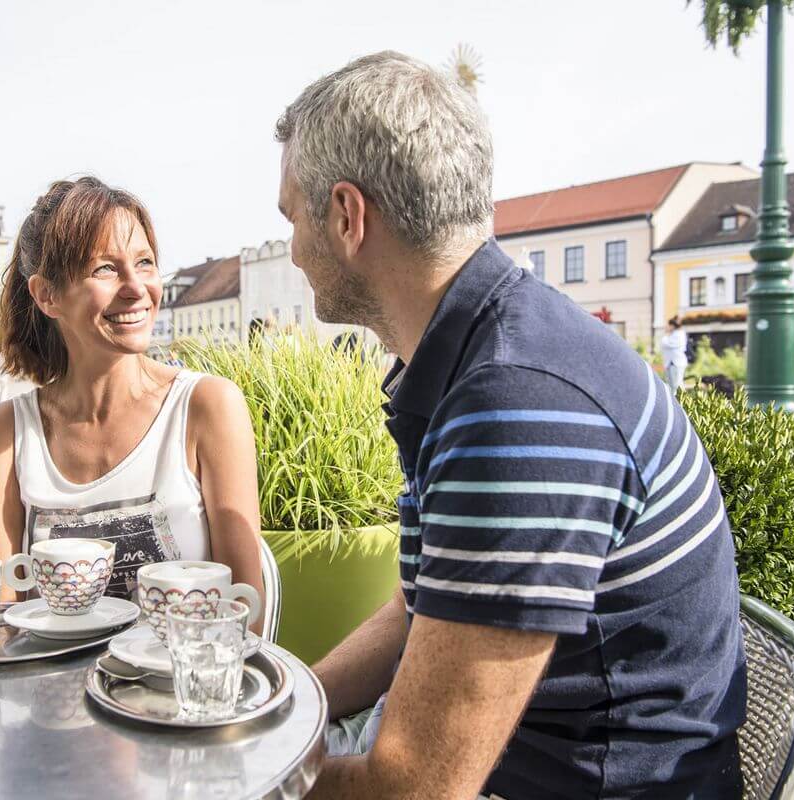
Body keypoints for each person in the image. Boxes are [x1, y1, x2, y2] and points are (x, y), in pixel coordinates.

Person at [276, 52, 745, 799]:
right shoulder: (490, 349)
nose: (294, 249)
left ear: (346, 215)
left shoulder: (515, 406)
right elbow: (423, 603)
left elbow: (414, 790)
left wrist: (225, 778)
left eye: (291, 218)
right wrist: (280, 711)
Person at [0, 177, 264, 619]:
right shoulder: (6, 433)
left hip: (181, 683)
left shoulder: (207, 407)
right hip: (45, 687)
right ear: (46, 295)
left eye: (145, 262)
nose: (136, 287)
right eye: (105, 269)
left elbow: (245, 606)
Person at [661, 315, 690, 393]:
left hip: (676, 363)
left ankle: (679, 402)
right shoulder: (673, 334)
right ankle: (674, 400)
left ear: (673, 326)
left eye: (669, 325)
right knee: (671, 384)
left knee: (677, 384)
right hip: (670, 363)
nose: (667, 327)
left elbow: (666, 343)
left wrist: (666, 334)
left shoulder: (679, 334)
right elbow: (664, 344)